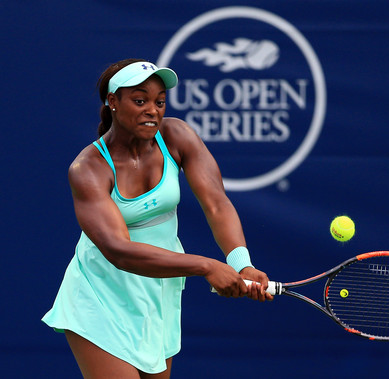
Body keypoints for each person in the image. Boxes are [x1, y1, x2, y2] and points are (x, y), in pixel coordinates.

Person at [42, 58, 273, 378]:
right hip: (100, 297)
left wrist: (240, 262)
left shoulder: (177, 135)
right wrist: (206, 266)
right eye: (140, 101)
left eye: (159, 101)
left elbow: (216, 204)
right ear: (113, 102)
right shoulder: (88, 169)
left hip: (157, 293)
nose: (153, 109)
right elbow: (119, 250)